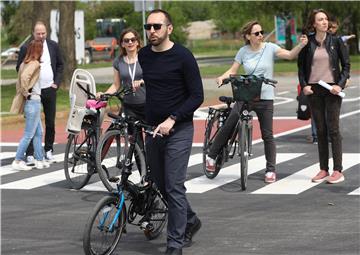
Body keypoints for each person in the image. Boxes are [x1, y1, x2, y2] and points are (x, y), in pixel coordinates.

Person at [205, 20, 308, 183]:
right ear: (248, 36)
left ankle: (270, 170)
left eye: (261, 32)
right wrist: (222, 77)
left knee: (268, 134)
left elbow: (289, 55)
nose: (261, 35)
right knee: (230, 123)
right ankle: (211, 156)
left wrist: (301, 45)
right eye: (256, 33)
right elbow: (233, 70)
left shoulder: (270, 48)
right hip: (246, 95)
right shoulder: (243, 51)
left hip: (266, 98)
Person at [138, 9, 203, 255]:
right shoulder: (145, 55)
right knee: (161, 185)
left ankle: (174, 244)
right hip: (153, 129)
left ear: (169, 28)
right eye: (149, 27)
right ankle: (191, 219)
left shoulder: (183, 56)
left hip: (179, 129)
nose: (152, 31)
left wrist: (173, 118)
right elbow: (155, 86)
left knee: (174, 186)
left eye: (157, 26)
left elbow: (197, 95)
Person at [298, 9, 350, 184]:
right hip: (314, 90)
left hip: (332, 89)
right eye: (320, 20)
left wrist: (339, 84)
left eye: (326, 19)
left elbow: (346, 66)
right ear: (314, 24)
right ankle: (323, 169)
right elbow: (301, 68)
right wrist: (304, 86)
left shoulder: (336, 41)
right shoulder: (308, 43)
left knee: (333, 130)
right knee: (320, 130)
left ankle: (337, 170)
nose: (324, 22)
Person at [16, 21, 64, 165]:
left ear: (46, 33)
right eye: (38, 33)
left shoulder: (53, 45)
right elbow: (20, 68)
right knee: (32, 125)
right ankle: (29, 154)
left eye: (43, 33)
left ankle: (48, 150)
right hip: (33, 93)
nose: (41, 36)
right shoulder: (27, 47)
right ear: (33, 33)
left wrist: (56, 83)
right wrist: (26, 90)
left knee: (50, 122)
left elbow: (60, 65)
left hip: (50, 88)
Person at [96, 28, 146, 158]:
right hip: (130, 106)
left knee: (152, 141)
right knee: (137, 144)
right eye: (126, 40)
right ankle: (144, 176)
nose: (130, 42)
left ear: (137, 42)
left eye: (132, 40)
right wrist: (105, 94)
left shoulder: (145, 57)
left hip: (147, 104)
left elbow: (154, 77)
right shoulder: (119, 61)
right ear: (122, 44)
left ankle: (154, 171)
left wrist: (141, 81)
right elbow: (116, 85)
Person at [11, 40, 50, 170]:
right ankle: (17, 161)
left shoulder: (24, 63)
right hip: (33, 101)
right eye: (41, 49)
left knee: (39, 132)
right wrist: (26, 91)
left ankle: (39, 159)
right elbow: (24, 78)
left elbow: (20, 78)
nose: (43, 51)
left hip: (32, 101)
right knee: (29, 134)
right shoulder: (34, 63)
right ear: (38, 51)